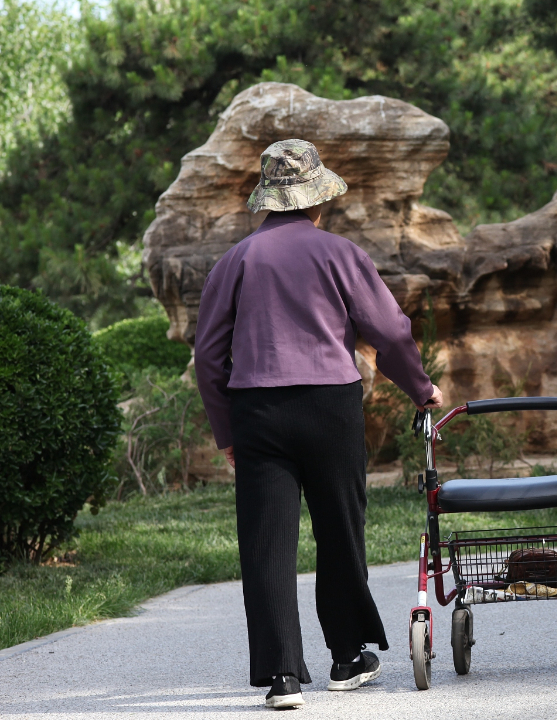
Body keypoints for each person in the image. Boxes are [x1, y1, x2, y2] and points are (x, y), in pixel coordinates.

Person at [194, 140, 443, 709]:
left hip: (258, 411)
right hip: (330, 405)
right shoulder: (340, 253)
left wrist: (227, 432)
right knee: (339, 530)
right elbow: (390, 331)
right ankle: (347, 656)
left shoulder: (236, 260)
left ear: (267, 201)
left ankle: (282, 677)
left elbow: (209, 358)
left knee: (266, 545)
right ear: (317, 201)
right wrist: (422, 390)